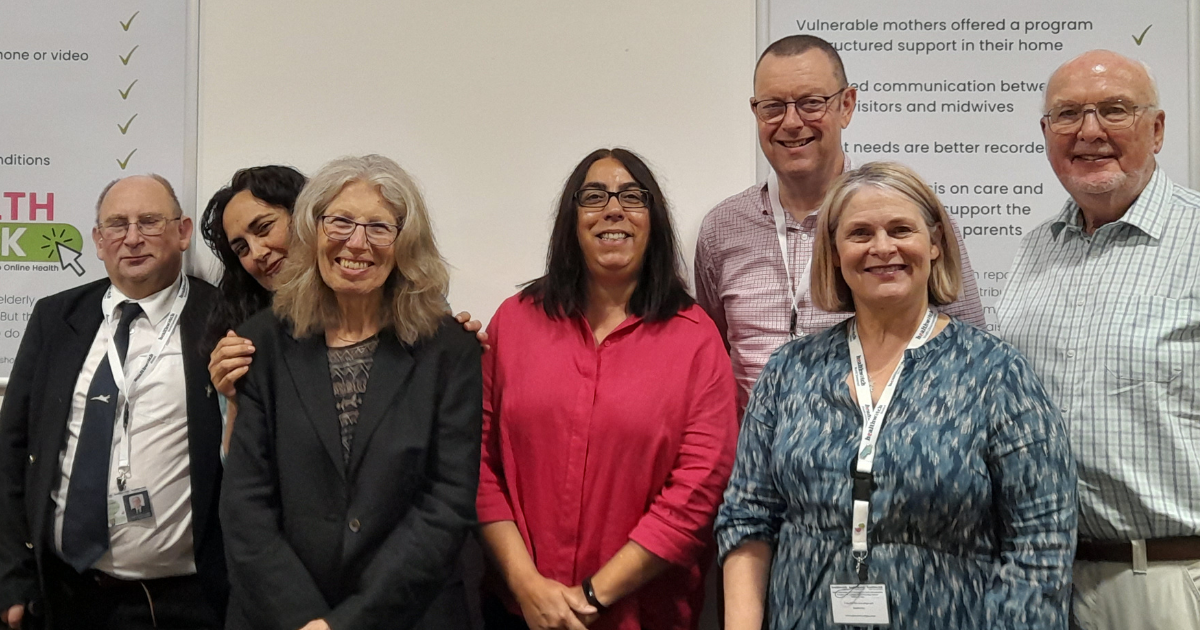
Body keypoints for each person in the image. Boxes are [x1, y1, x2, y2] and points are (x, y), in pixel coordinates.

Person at [717, 162, 1076, 629]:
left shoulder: (996, 374)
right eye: (860, 233)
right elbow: (748, 517)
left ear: (935, 242)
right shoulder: (790, 371)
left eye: (901, 229)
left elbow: (1042, 543)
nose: (882, 247)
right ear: (835, 252)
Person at [476, 148, 737, 630]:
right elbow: (478, 463)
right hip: (519, 612)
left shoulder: (696, 338)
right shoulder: (513, 323)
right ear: (571, 220)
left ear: (653, 220)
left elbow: (700, 487)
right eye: (594, 196)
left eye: (632, 197)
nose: (613, 209)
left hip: (643, 616)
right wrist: (526, 585)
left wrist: (591, 597)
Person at [220, 154, 482, 630]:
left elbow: (446, 504)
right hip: (281, 617)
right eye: (340, 221)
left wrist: (347, 624)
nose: (356, 243)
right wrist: (305, 621)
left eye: (379, 227)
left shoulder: (451, 350)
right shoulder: (260, 344)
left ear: (405, 242)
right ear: (312, 230)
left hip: (408, 614)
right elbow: (245, 507)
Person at [998, 50, 1200, 629]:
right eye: (1067, 115)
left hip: (1168, 580)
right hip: (1042, 579)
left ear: (1156, 130)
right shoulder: (1034, 249)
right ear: (1046, 133)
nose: (1089, 132)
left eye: (1114, 110)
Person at [694, 34, 986, 410]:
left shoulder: (905, 219)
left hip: (881, 436)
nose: (792, 122)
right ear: (756, 112)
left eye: (811, 103)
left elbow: (971, 350)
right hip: (756, 442)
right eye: (773, 107)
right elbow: (712, 358)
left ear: (846, 105)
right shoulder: (722, 228)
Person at [0, 175, 228, 629]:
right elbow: (10, 450)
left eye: (150, 221)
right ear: (99, 241)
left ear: (182, 232)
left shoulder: (223, 319)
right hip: (64, 595)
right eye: (118, 225)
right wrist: (12, 575)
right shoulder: (56, 317)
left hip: (185, 604)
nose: (133, 238)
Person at [200, 165, 486, 457]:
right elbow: (236, 467)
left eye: (264, 228)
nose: (258, 252)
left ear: (306, 218)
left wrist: (458, 345)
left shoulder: (412, 308)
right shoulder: (246, 337)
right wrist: (235, 399)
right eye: (241, 248)